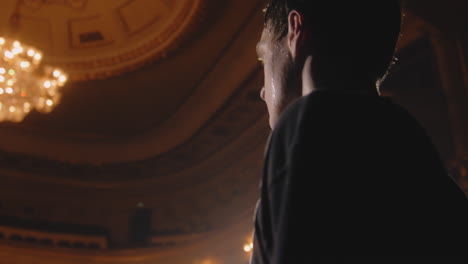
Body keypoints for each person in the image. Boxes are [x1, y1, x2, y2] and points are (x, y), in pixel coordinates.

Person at [251, 0, 468, 263]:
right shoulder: (413, 146)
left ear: (297, 30)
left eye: (264, 57)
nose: (262, 91)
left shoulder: (306, 125)